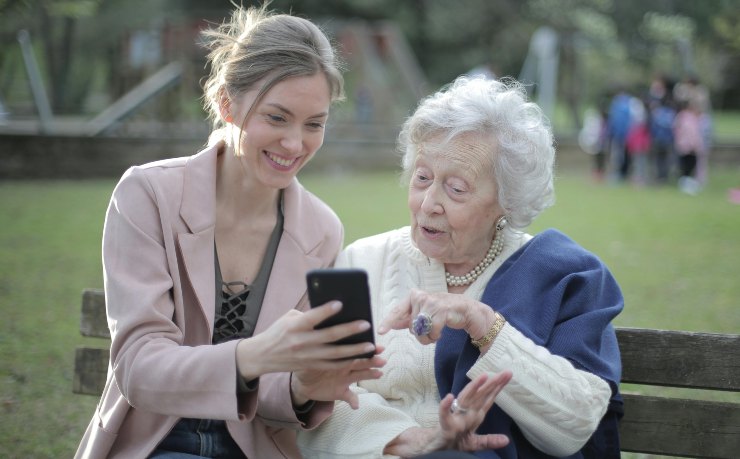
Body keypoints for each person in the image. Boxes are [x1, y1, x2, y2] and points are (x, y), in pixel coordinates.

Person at [75, 4, 385, 459]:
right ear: (227, 104)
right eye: (276, 118)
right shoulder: (148, 195)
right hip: (154, 442)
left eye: (314, 124)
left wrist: (306, 385)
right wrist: (254, 355)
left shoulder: (321, 230)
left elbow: (275, 401)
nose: (295, 144)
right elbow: (138, 369)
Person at [297, 76, 624, 458]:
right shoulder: (362, 261)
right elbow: (316, 399)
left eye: (456, 189)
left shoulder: (563, 275)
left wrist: (482, 324)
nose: (428, 203)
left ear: (507, 202)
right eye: (422, 178)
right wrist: (409, 440)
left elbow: (578, 422)